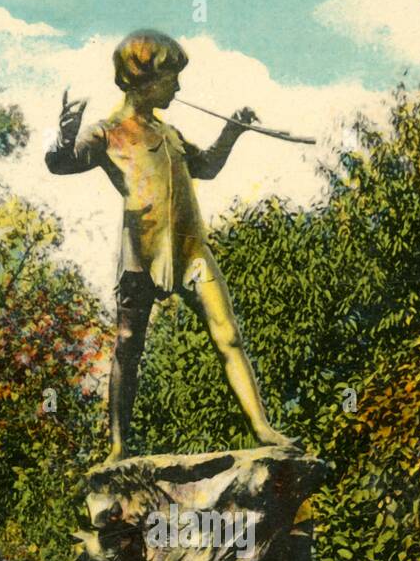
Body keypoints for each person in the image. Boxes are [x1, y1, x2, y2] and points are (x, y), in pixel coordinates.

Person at [45, 29, 299, 461]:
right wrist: (64, 138)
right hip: (142, 257)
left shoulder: (171, 133)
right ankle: (118, 447)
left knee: (228, 336)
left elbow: (207, 168)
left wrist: (231, 133)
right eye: (171, 79)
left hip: (191, 253)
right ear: (141, 78)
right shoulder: (107, 132)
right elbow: (61, 164)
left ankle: (261, 427)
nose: (178, 88)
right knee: (128, 348)